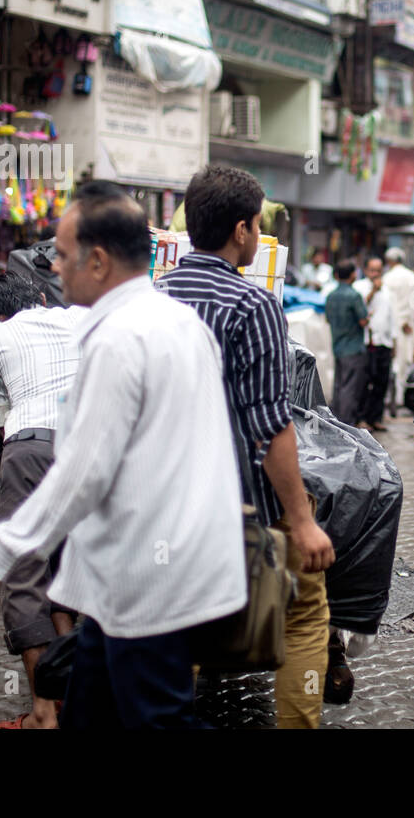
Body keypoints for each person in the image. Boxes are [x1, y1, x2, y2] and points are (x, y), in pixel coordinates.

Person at [0, 182, 246, 729]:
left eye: (62, 256)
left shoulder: (119, 339)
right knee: (92, 714)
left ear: (98, 259)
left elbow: (81, 474)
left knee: (158, 720)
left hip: (147, 580)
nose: (54, 270)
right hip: (137, 579)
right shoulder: (176, 321)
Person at [156, 164, 335, 729]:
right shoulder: (251, 303)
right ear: (241, 231)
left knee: (173, 623)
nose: (257, 235)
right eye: (257, 225)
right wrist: (301, 519)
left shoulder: (154, 297)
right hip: (243, 503)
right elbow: (271, 423)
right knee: (305, 611)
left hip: (166, 504)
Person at [0, 272, 84, 729]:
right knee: (69, 566)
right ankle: (74, 697)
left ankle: (44, 712)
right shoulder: (77, 319)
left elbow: (5, 419)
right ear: (41, 299)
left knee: (24, 573)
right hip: (88, 449)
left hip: (31, 447)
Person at [325, 260, 369, 426]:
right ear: (353, 275)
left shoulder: (330, 296)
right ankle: (346, 423)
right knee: (349, 388)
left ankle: (336, 420)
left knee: (339, 385)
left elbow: (328, 319)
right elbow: (363, 321)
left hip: (337, 346)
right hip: (353, 347)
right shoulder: (354, 295)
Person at [353, 256, 393, 432]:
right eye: (372, 270)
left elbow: (392, 317)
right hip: (367, 342)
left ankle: (376, 418)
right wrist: (372, 292)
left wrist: (394, 342)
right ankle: (361, 418)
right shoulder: (359, 288)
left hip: (384, 342)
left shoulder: (387, 290)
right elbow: (360, 311)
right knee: (364, 382)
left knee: (381, 382)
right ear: (366, 270)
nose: (376, 274)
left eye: (379, 270)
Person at [383, 246, 414, 417]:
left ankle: (395, 399)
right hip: (409, 325)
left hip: (393, 325)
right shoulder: (412, 277)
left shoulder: (387, 278)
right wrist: (408, 321)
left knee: (395, 363)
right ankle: (402, 398)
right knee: (406, 362)